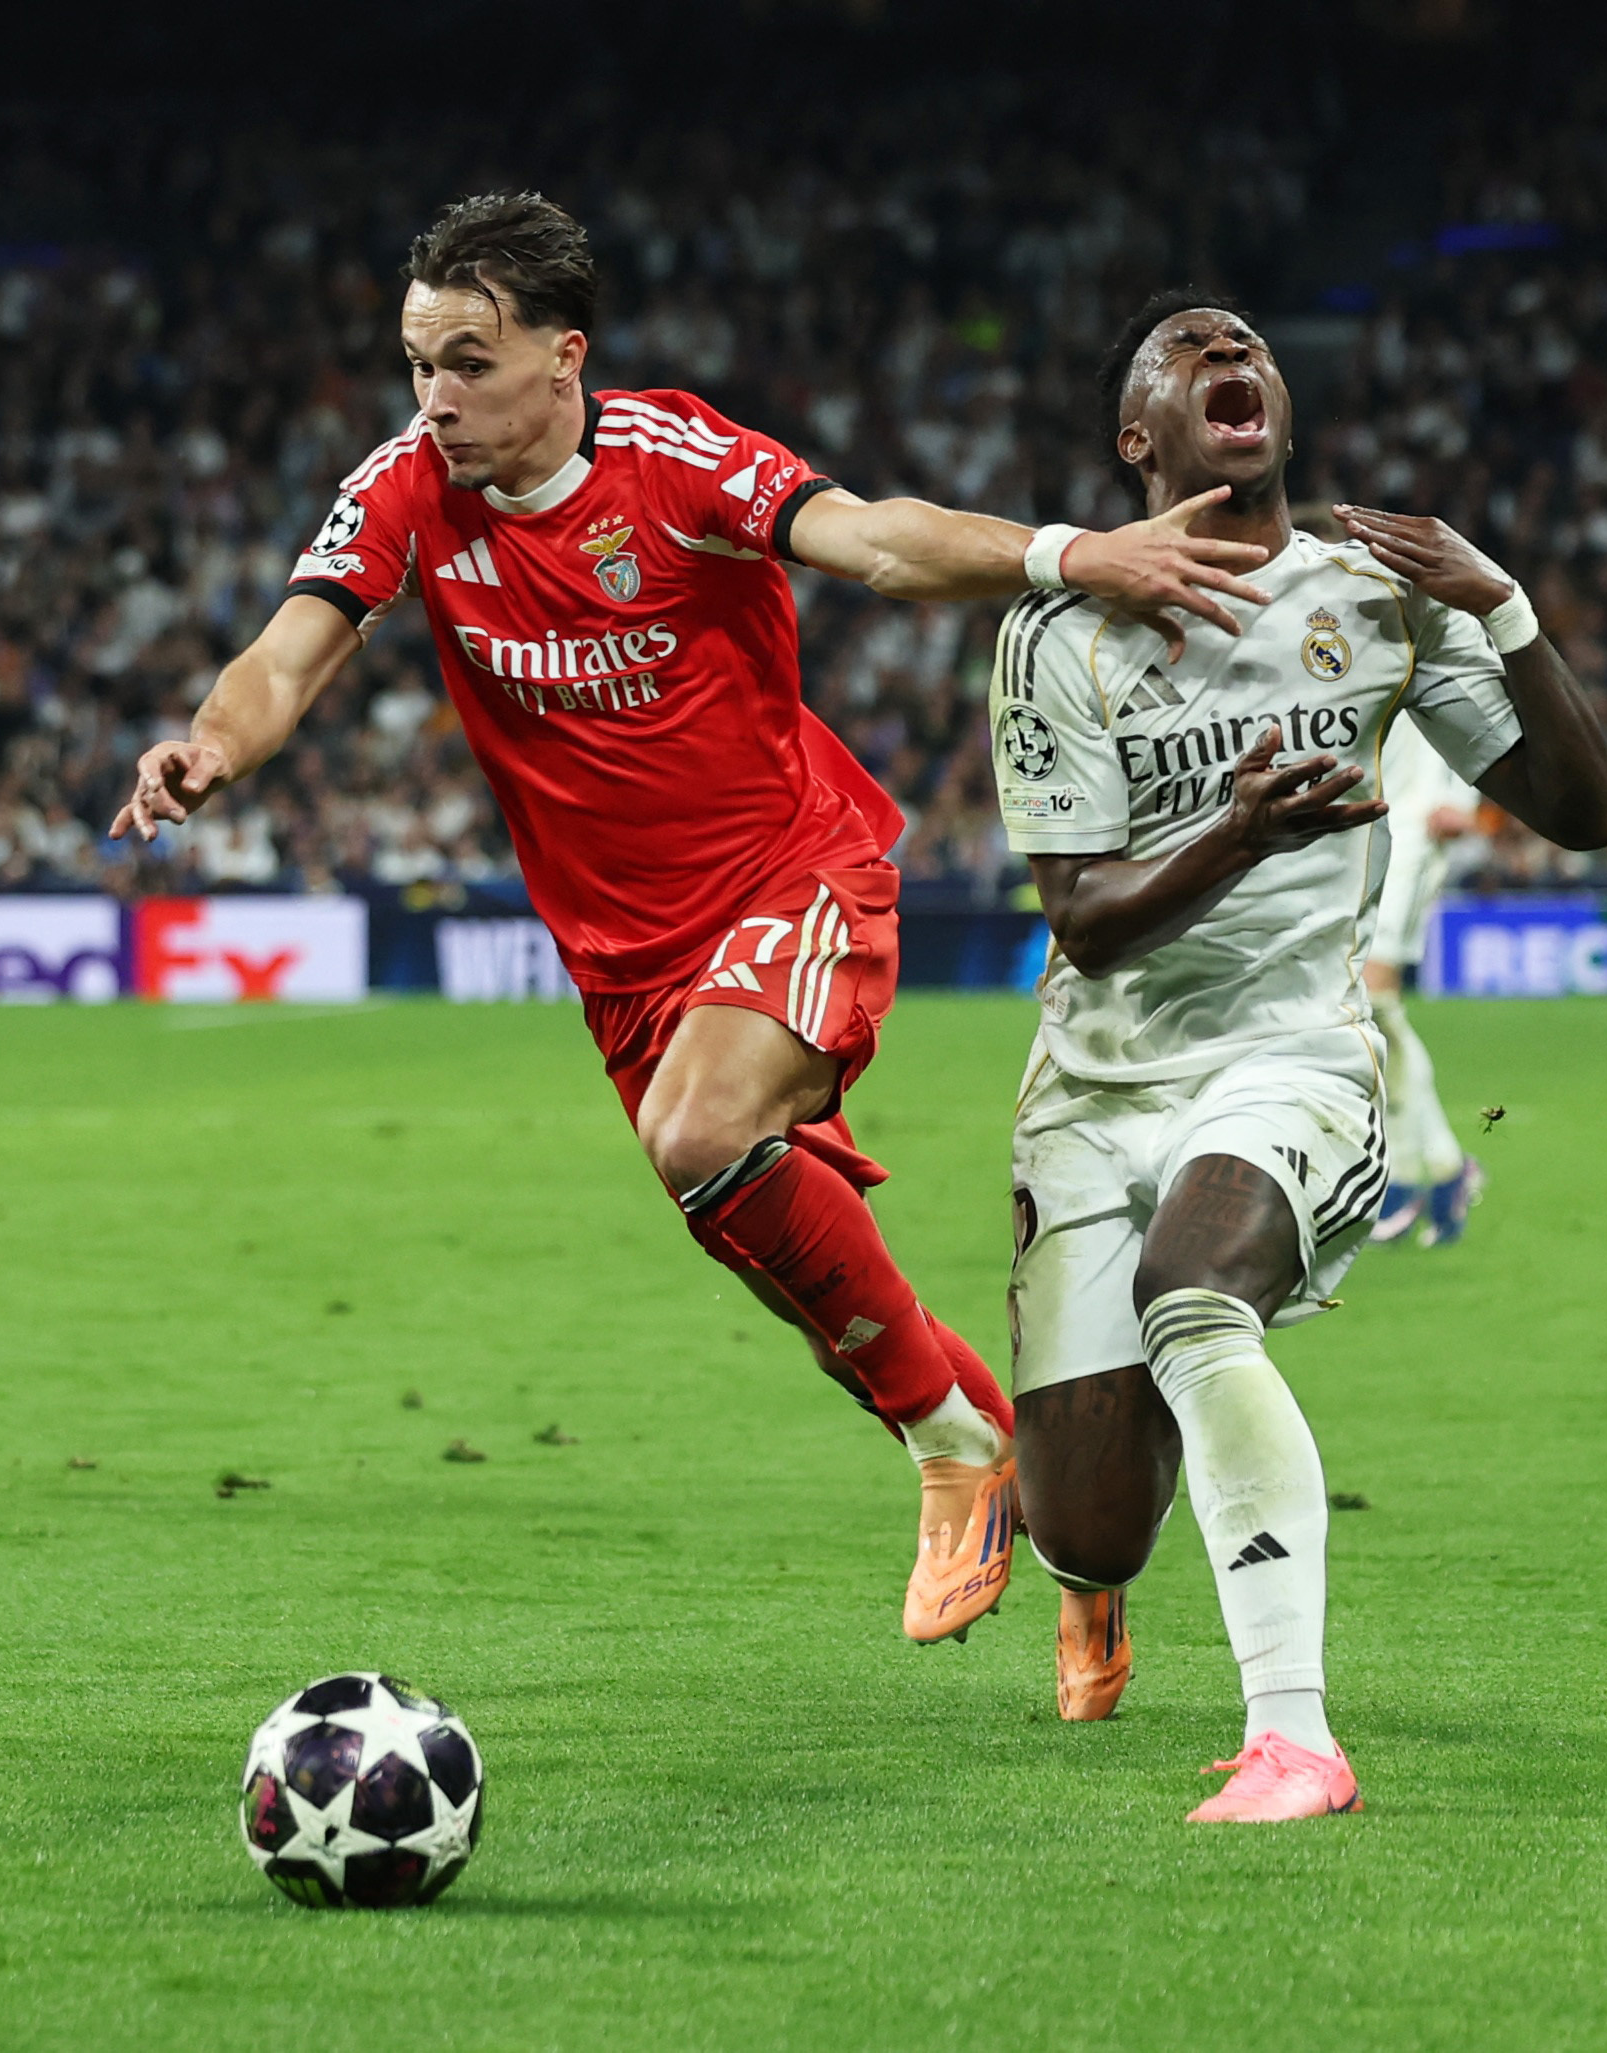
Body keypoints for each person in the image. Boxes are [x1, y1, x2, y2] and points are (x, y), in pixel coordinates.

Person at [116, 194, 1271, 1643]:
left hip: (790, 878)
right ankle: (1047, 1498)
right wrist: (208, 747)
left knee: (700, 1136)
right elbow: (285, 658)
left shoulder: (672, 459)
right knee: (784, 1264)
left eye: (468, 362)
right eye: (417, 362)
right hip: (622, 963)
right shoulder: (407, 487)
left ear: (564, 356)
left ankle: (952, 1449)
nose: (435, 398)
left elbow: (876, 544)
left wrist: (1067, 554)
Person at [987, 289, 1607, 1819]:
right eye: (1188, 351)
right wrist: (1238, 831)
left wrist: (1507, 608)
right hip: (1095, 1081)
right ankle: (1079, 1565)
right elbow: (1082, 923)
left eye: (1247, 344)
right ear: (1137, 437)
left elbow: (1577, 806)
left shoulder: (1376, 593)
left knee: (1195, 1294)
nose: (1230, 356)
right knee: (1087, 1523)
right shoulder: (1056, 632)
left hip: (1289, 1056)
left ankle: (1293, 1739)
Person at [1365, 719, 1484, 1247]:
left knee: (1371, 999)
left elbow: (1472, 697)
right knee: (1362, 1006)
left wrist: (1463, 799)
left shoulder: (1419, 634)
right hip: (1348, 833)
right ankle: (1444, 1164)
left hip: (1409, 831)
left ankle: (1403, 1175)